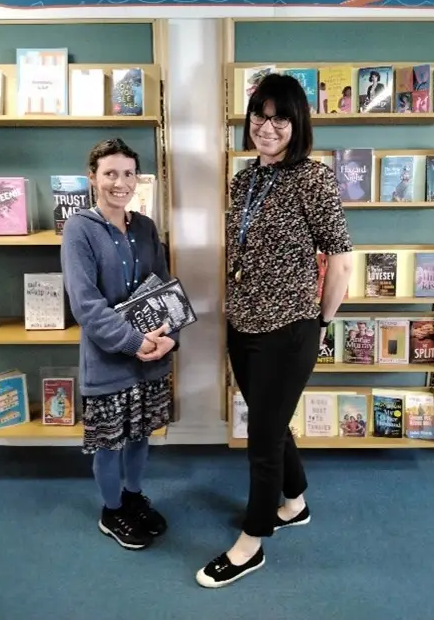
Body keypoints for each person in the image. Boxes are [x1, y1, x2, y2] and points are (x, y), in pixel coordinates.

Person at [196, 73, 353, 588]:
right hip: (243, 323)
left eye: (280, 117)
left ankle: (252, 542)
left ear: (296, 122)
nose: (268, 126)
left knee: (261, 436)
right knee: (271, 420)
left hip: (289, 328)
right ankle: (295, 501)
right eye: (260, 115)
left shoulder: (314, 178)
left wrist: (320, 323)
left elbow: (341, 263)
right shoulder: (245, 179)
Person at [61, 138, 179, 551]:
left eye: (128, 173)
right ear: (93, 177)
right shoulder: (78, 229)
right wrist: (133, 342)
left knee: (141, 436)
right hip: (109, 361)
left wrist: (169, 340)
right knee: (110, 443)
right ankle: (112, 511)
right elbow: (85, 305)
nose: (120, 182)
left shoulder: (146, 228)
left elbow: (166, 290)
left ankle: (133, 496)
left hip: (151, 361)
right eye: (110, 173)